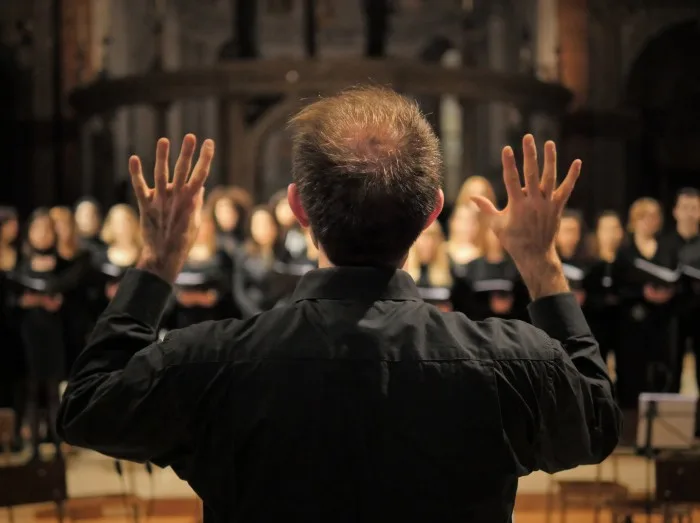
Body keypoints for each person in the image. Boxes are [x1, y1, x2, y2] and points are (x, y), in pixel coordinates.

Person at [57, 88, 620, 523]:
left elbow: (86, 407)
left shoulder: (211, 361)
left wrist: (157, 262)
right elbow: (597, 420)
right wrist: (541, 265)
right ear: (432, 214)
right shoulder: (508, 364)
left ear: (299, 208)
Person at [666, 188, 700, 392]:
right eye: (684, 208)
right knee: (671, 370)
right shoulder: (664, 243)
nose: (689, 213)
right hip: (671, 314)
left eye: (694, 208)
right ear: (675, 211)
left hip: (699, 312)